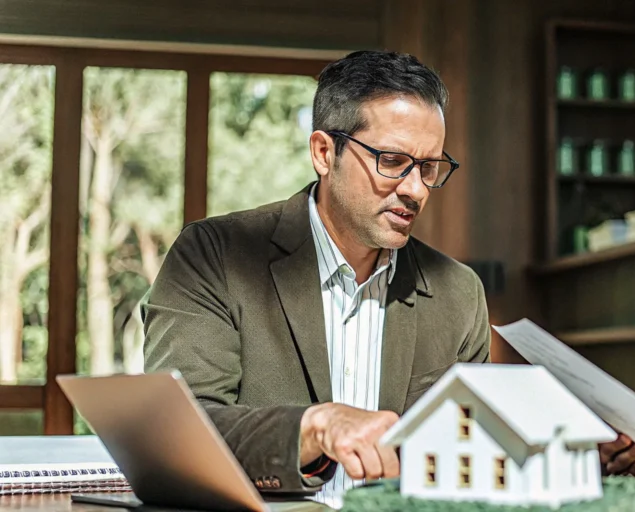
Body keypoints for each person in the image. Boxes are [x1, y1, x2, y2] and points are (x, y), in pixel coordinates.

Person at [142, 50, 491, 508]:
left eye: (428, 168)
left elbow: (469, 454)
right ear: (325, 153)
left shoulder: (458, 292)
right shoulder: (212, 256)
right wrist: (315, 427)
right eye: (392, 161)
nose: (415, 189)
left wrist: (582, 453)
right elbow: (177, 433)